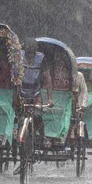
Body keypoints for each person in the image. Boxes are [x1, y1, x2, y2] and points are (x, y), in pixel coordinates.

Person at [13, 38, 53, 175]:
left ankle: (42, 137)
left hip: (35, 93)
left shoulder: (42, 59)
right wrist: (15, 96)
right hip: (21, 92)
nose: (30, 55)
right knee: (19, 124)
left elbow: (47, 79)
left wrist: (50, 98)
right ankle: (22, 158)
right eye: (28, 52)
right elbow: (15, 78)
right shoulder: (19, 57)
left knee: (38, 114)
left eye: (32, 53)